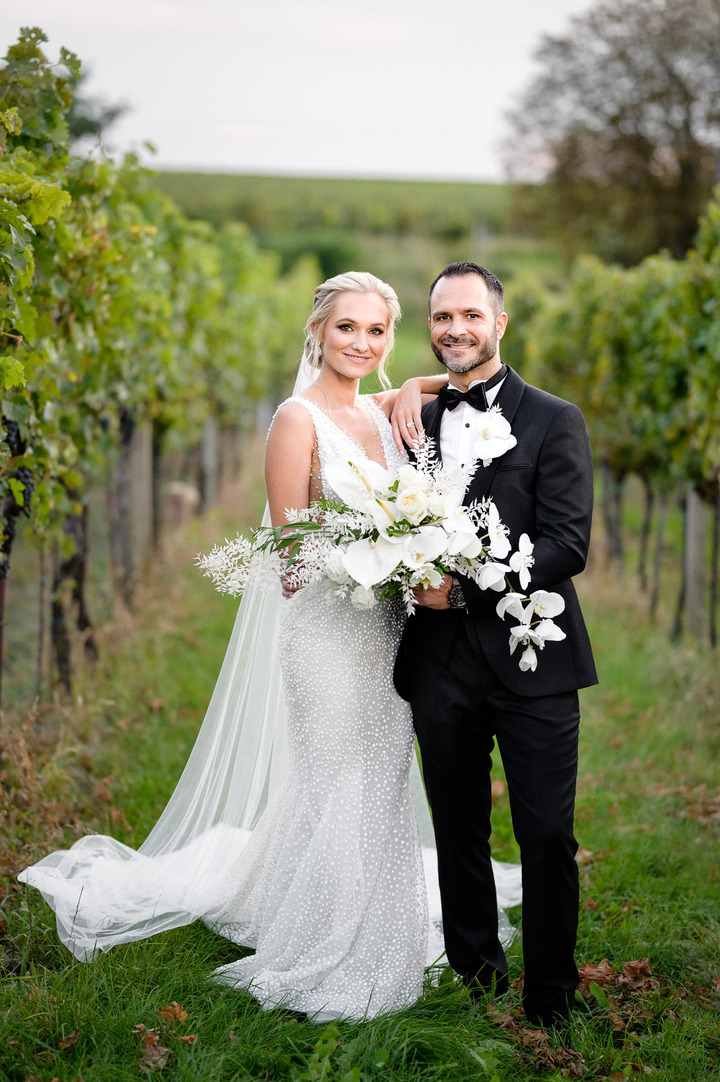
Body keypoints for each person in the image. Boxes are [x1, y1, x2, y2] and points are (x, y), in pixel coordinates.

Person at [18, 271, 522, 1023]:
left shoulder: (382, 415)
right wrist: (382, 551)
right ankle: (333, 949)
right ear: (317, 330)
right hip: (325, 633)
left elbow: (420, 385)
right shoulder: (297, 419)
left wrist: (413, 407)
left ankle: (356, 921)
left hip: (386, 634)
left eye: (377, 331)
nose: (361, 342)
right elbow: (289, 560)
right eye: (347, 328)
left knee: (379, 778)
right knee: (337, 781)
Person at [392, 262, 597, 1029]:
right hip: (438, 661)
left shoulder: (554, 418)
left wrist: (470, 588)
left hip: (533, 659)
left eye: (469, 315)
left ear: (499, 324)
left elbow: (568, 544)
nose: (455, 328)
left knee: (546, 832)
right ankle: (475, 976)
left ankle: (551, 998)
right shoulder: (412, 416)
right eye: (442, 317)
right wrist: (412, 389)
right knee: (457, 827)